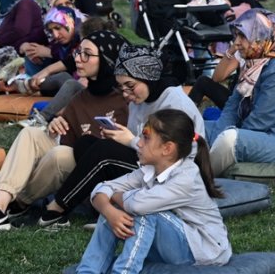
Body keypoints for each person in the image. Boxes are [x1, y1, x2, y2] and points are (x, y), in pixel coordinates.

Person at [0, 31, 129, 232]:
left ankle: (20, 202)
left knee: (60, 154)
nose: (78, 58)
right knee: (32, 134)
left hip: (99, 178)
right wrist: (55, 126)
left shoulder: (126, 98)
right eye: (79, 52)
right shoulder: (80, 98)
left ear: (107, 60)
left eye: (87, 54)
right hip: (74, 161)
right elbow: (69, 140)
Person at [27, 44, 202, 228]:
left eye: (130, 86)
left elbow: (174, 155)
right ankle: (103, 208)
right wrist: (119, 138)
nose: (126, 93)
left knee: (105, 151)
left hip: (173, 172)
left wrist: (130, 141)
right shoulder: (138, 102)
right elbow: (139, 145)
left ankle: (59, 208)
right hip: (148, 163)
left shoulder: (175, 103)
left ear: (148, 78)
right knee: (86, 143)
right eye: (122, 87)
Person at [77, 110, 231, 273]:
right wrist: (108, 211)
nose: (139, 143)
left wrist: (112, 197)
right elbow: (100, 188)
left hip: (203, 251)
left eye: (146, 137)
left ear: (167, 148)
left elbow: (136, 205)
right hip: (173, 245)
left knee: (146, 212)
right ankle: (87, 271)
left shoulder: (187, 177)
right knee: (115, 208)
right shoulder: (149, 169)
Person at [207, 10, 275, 176]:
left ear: (262, 37)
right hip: (260, 134)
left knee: (230, 139)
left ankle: (201, 178)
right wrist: (216, 135)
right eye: (237, 36)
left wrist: (222, 137)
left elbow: (260, 121)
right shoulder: (253, 65)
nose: (237, 43)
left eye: (242, 36)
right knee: (193, 128)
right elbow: (231, 107)